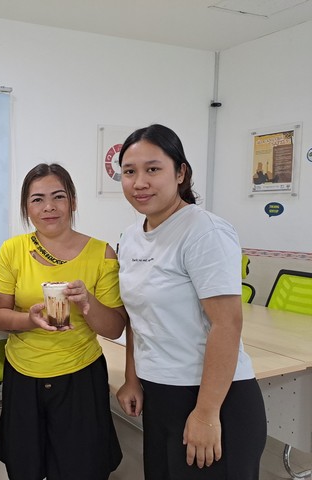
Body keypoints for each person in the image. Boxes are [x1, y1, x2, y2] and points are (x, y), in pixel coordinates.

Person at [116, 124, 267, 480]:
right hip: (160, 394)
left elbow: (227, 324)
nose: (140, 182)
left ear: (180, 172)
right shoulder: (131, 236)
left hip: (213, 397)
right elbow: (138, 317)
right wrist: (132, 378)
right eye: (129, 171)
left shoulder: (204, 231)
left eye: (153, 169)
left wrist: (206, 413)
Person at [0, 163, 127, 480]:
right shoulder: (13, 250)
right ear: (26, 207)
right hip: (23, 375)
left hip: (80, 376)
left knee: (82, 468)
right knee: (26, 468)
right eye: (37, 199)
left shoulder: (102, 253)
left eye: (58, 196)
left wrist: (88, 302)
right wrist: (30, 320)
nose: (48, 207)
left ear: (73, 202)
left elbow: (115, 327)